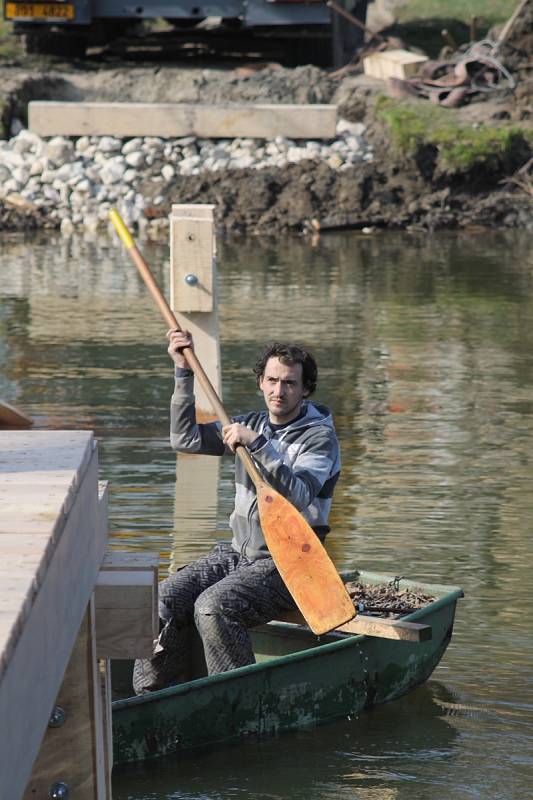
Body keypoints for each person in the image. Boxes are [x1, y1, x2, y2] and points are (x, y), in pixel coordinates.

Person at [133, 330, 341, 694]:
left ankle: (237, 700)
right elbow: (185, 439)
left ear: (306, 389)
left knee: (214, 607)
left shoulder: (318, 438)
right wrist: (183, 372)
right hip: (239, 555)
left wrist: (259, 446)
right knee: (162, 599)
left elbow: (299, 495)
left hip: (292, 566)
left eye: (290, 383)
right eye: (272, 381)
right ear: (261, 382)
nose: (279, 391)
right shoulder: (250, 424)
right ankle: (156, 696)